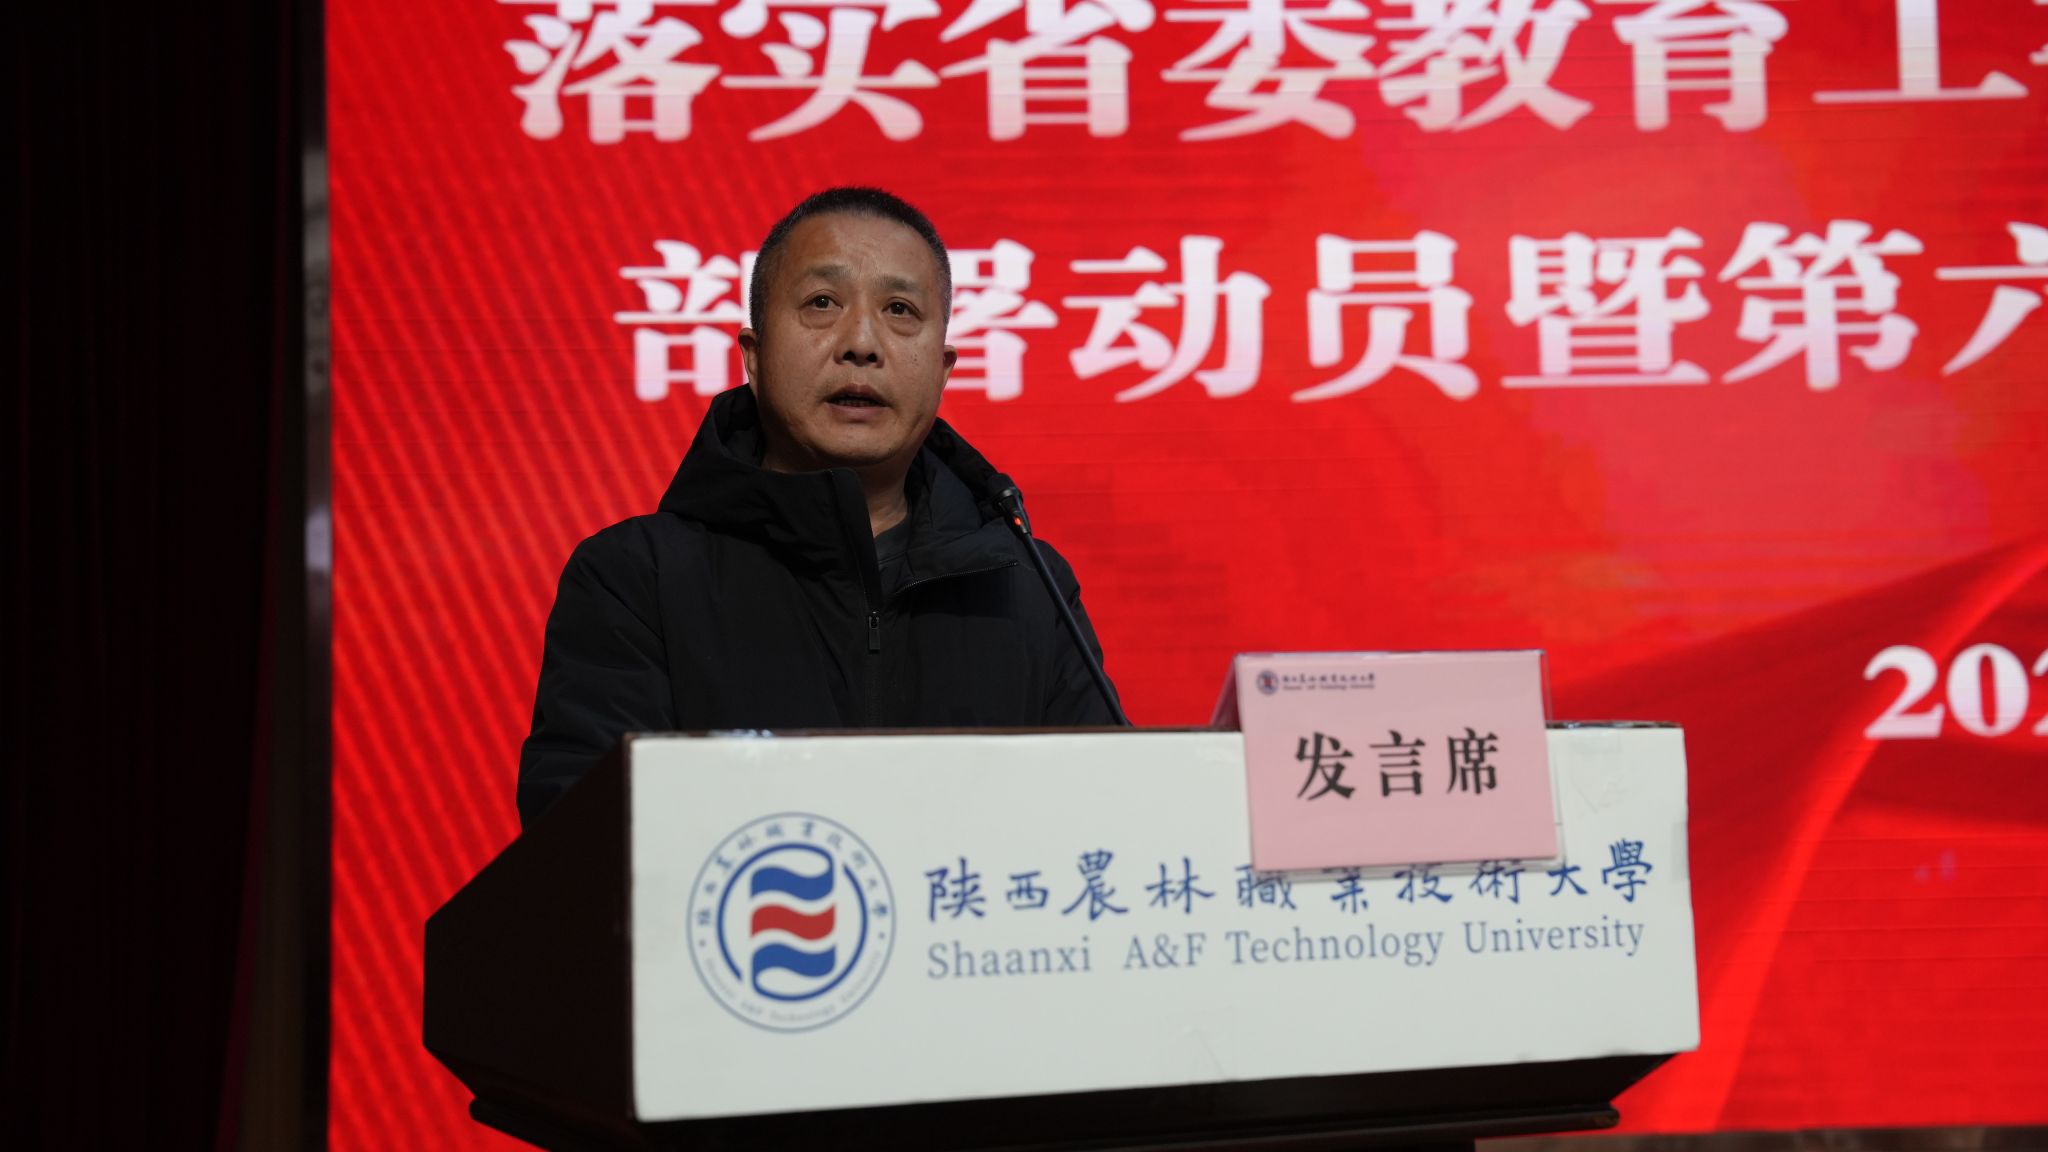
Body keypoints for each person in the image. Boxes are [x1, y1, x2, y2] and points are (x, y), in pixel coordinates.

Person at [516, 187, 1121, 827]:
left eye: (899, 310)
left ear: (943, 369)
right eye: (822, 303)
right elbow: (583, 840)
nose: (861, 342)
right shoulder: (637, 579)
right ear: (753, 357)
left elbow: (1114, 822)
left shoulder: (1028, 588)